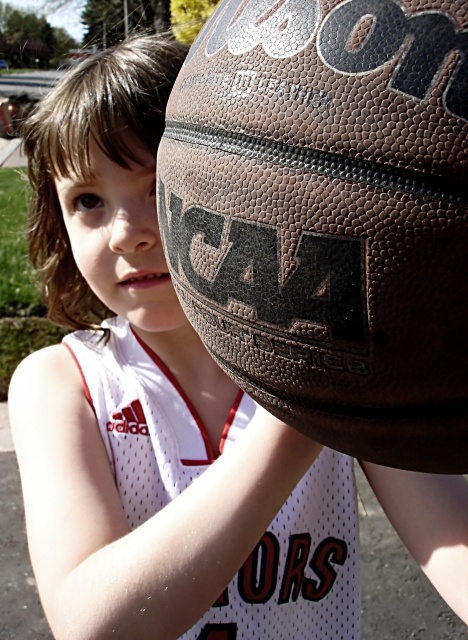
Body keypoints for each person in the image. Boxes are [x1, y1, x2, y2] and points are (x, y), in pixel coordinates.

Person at [8, 33, 468, 640]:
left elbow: (453, 541)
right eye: (87, 200)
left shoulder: (352, 373)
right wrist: (303, 399)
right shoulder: (62, 383)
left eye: (156, 187)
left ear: (241, 188)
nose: (125, 233)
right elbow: (94, 624)